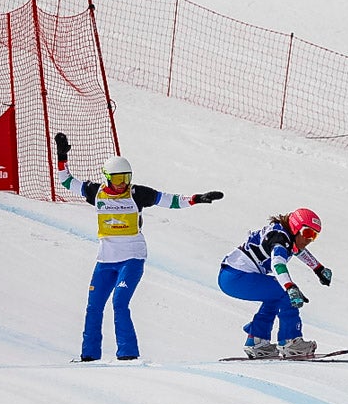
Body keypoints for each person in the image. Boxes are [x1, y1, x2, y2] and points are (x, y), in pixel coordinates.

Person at [53, 132, 223, 362]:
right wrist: (61, 156)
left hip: (132, 258)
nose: (122, 183)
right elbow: (66, 181)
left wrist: (196, 198)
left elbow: (170, 200)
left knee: (119, 302)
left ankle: (128, 355)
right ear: (107, 178)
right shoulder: (96, 192)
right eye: (117, 179)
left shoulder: (137, 194)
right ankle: (89, 356)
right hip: (105, 260)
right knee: (94, 306)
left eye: (126, 178)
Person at [218, 208, 333, 359]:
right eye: (307, 233)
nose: (309, 239)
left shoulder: (285, 235)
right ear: (296, 228)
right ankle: (290, 341)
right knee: (284, 293)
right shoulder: (280, 239)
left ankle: (257, 340)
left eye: (314, 236)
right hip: (237, 277)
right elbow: (277, 263)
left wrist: (318, 268)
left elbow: (297, 250)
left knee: (274, 296)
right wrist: (289, 287)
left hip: (231, 276)